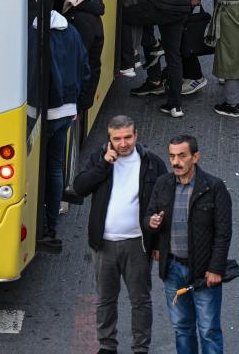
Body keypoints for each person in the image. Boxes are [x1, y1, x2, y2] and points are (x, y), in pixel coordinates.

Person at [71, 115, 168, 354]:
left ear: (136, 136)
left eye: (127, 137)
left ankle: (140, 348)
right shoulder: (99, 158)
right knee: (105, 299)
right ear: (109, 139)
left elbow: (164, 203)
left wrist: (159, 244)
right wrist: (104, 164)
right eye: (117, 139)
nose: (123, 143)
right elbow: (80, 187)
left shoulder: (153, 163)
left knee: (140, 300)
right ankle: (107, 346)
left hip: (138, 243)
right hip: (103, 243)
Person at [146, 135, 233, 354]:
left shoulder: (213, 187)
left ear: (195, 157)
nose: (176, 161)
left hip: (204, 272)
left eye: (182, 156)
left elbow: (223, 232)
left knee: (208, 330)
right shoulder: (163, 183)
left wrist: (215, 268)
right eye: (172, 156)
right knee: (181, 328)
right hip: (173, 269)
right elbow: (149, 215)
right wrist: (152, 223)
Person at [36, 6, 90, 254]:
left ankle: (39, 221)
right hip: (67, 110)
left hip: (41, 114)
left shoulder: (34, 35)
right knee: (56, 166)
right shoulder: (72, 33)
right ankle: (52, 222)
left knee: (38, 168)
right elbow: (85, 70)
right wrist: (76, 104)